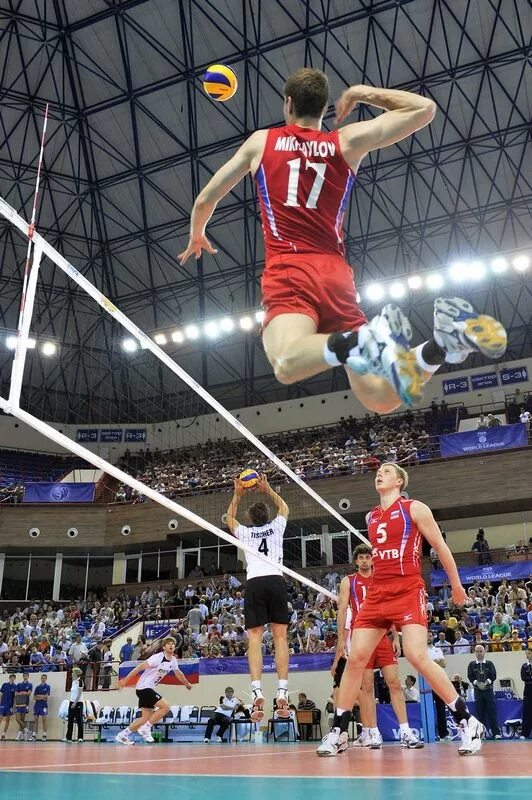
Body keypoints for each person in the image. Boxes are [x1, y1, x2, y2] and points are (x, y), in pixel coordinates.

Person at [179, 68, 506, 412]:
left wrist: (197, 232)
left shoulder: (262, 141)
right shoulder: (345, 142)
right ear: (322, 109)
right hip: (335, 274)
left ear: (288, 104)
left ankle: (358, 342)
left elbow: (205, 200)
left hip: (290, 269)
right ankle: (441, 343)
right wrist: (363, 92)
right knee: (380, 398)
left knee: (286, 364)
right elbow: (423, 108)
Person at [317, 462, 485, 757]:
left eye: (386, 471)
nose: (379, 474)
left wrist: (456, 585)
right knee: (354, 660)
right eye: (377, 472)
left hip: (408, 590)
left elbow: (440, 547)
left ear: (399, 481)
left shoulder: (415, 509)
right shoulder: (371, 516)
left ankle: (467, 721)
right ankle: (339, 731)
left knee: (418, 655)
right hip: (378, 593)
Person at [331, 543, 422, 749]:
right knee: (367, 687)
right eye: (361, 557)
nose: (364, 560)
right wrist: (341, 641)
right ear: (356, 561)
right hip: (360, 636)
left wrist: (396, 637)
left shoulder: (381, 578)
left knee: (395, 683)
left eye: (367, 557)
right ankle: (372, 732)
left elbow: (390, 607)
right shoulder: (348, 581)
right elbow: (342, 610)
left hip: (382, 636)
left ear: (373, 559)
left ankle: (406, 732)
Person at [226, 473, 290, 721]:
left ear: (251, 518)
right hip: (276, 580)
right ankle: (282, 690)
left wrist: (237, 495)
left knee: (254, 638)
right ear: (267, 516)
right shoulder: (277, 526)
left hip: (254, 583)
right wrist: (267, 489)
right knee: (280, 637)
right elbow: (284, 507)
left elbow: (228, 518)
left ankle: (256, 692)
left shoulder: (244, 533)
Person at [115, 636, 192, 746]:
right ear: (164, 647)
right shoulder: (157, 657)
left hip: (148, 688)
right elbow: (139, 668)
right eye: (168, 644)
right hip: (143, 687)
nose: (171, 645)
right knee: (166, 707)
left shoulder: (173, 660)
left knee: (145, 717)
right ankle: (146, 728)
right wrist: (125, 680)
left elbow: (178, 673)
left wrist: (186, 683)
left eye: (173, 644)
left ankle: (122, 735)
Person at [467, 645, 501, 739]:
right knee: (480, 713)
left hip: (489, 691)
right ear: (474, 652)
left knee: (491, 712)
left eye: (480, 651)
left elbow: (493, 675)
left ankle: (496, 733)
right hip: (478, 692)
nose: (479, 653)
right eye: (477, 651)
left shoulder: (490, 664)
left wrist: (485, 683)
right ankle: (481, 734)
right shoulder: (471, 664)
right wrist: (477, 683)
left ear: (484, 651)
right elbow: (470, 676)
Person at [65, 666, 84, 743]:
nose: (72, 674)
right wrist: (72, 702)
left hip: (78, 702)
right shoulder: (73, 682)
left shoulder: (80, 681)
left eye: (73, 672)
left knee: (79, 720)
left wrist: (75, 703)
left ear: (76, 673)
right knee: (70, 720)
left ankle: (80, 737)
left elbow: (79, 693)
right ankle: (68, 737)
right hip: (71, 702)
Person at [31, 673, 51, 741]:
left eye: (44, 678)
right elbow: (34, 697)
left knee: (44, 719)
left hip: (44, 706)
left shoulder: (48, 686)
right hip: (37, 706)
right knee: (35, 720)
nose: (43, 679)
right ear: (41, 679)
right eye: (42, 678)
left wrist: (38, 696)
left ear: (46, 679)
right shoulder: (37, 687)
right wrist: (42, 697)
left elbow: (46, 696)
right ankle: (34, 735)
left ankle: (44, 735)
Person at [14, 671, 32, 742]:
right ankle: (27, 730)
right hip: (18, 704)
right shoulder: (18, 684)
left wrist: (21, 693)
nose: (25, 677)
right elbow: (15, 694)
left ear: (28, 677)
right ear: (23, 676)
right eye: (24, 676)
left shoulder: (30, 684)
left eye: (26, 676)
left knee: (22, 719)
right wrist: (24, 692)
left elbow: (29, 693)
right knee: (18, 719)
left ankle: (19, 736)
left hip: (25, 704)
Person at [0, 673, 17, 740]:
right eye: (11, 677)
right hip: (2, 704)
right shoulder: (4, 685)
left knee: (7, 720)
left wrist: (14, 706)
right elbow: (1, 695)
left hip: (9, 705)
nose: (12, 679)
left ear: (14, 678)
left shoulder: (15, 686)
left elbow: (15, 697)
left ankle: (3, 735)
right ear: (9, 678)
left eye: (13, 677)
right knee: (0, 718)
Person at [520, 648, 532, 739]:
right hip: (528, 689)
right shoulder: (524, 666)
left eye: (529, 653)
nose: (527, 655)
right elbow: (524, 677)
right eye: (526, 653)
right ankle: (524, 733)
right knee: (527, 712)